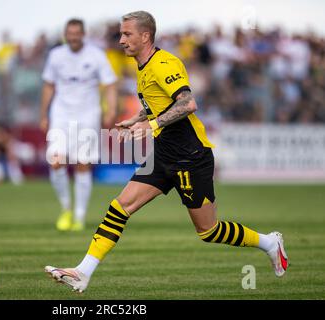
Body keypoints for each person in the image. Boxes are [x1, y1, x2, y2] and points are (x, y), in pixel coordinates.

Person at [45, 11, 288, 293]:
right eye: (121, 34)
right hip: (163, 154)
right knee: (120, 207)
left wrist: (152, 124)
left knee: (208, 231)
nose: (121, 40)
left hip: (190, 155)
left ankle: (269, 242)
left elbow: (188, 103)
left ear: (145, 35)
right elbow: (157, 104)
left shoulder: (164, 63)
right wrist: (139, 119)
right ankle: (83, 272)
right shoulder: (143, 66)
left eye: (127, 34)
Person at [40, 18, 118, 231]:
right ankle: (66, 209)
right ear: (66, 34)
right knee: (56, 161)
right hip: (61, 113)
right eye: (70, 33)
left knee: (83, 163)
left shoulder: (96, 55)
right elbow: (48, 85)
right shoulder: (56, 56)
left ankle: (79, 216)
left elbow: (110, 84)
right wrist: (44, 114)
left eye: (77, 33)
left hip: (88, 113)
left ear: (83, 34)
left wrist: (110, 110)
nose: (73, 37)